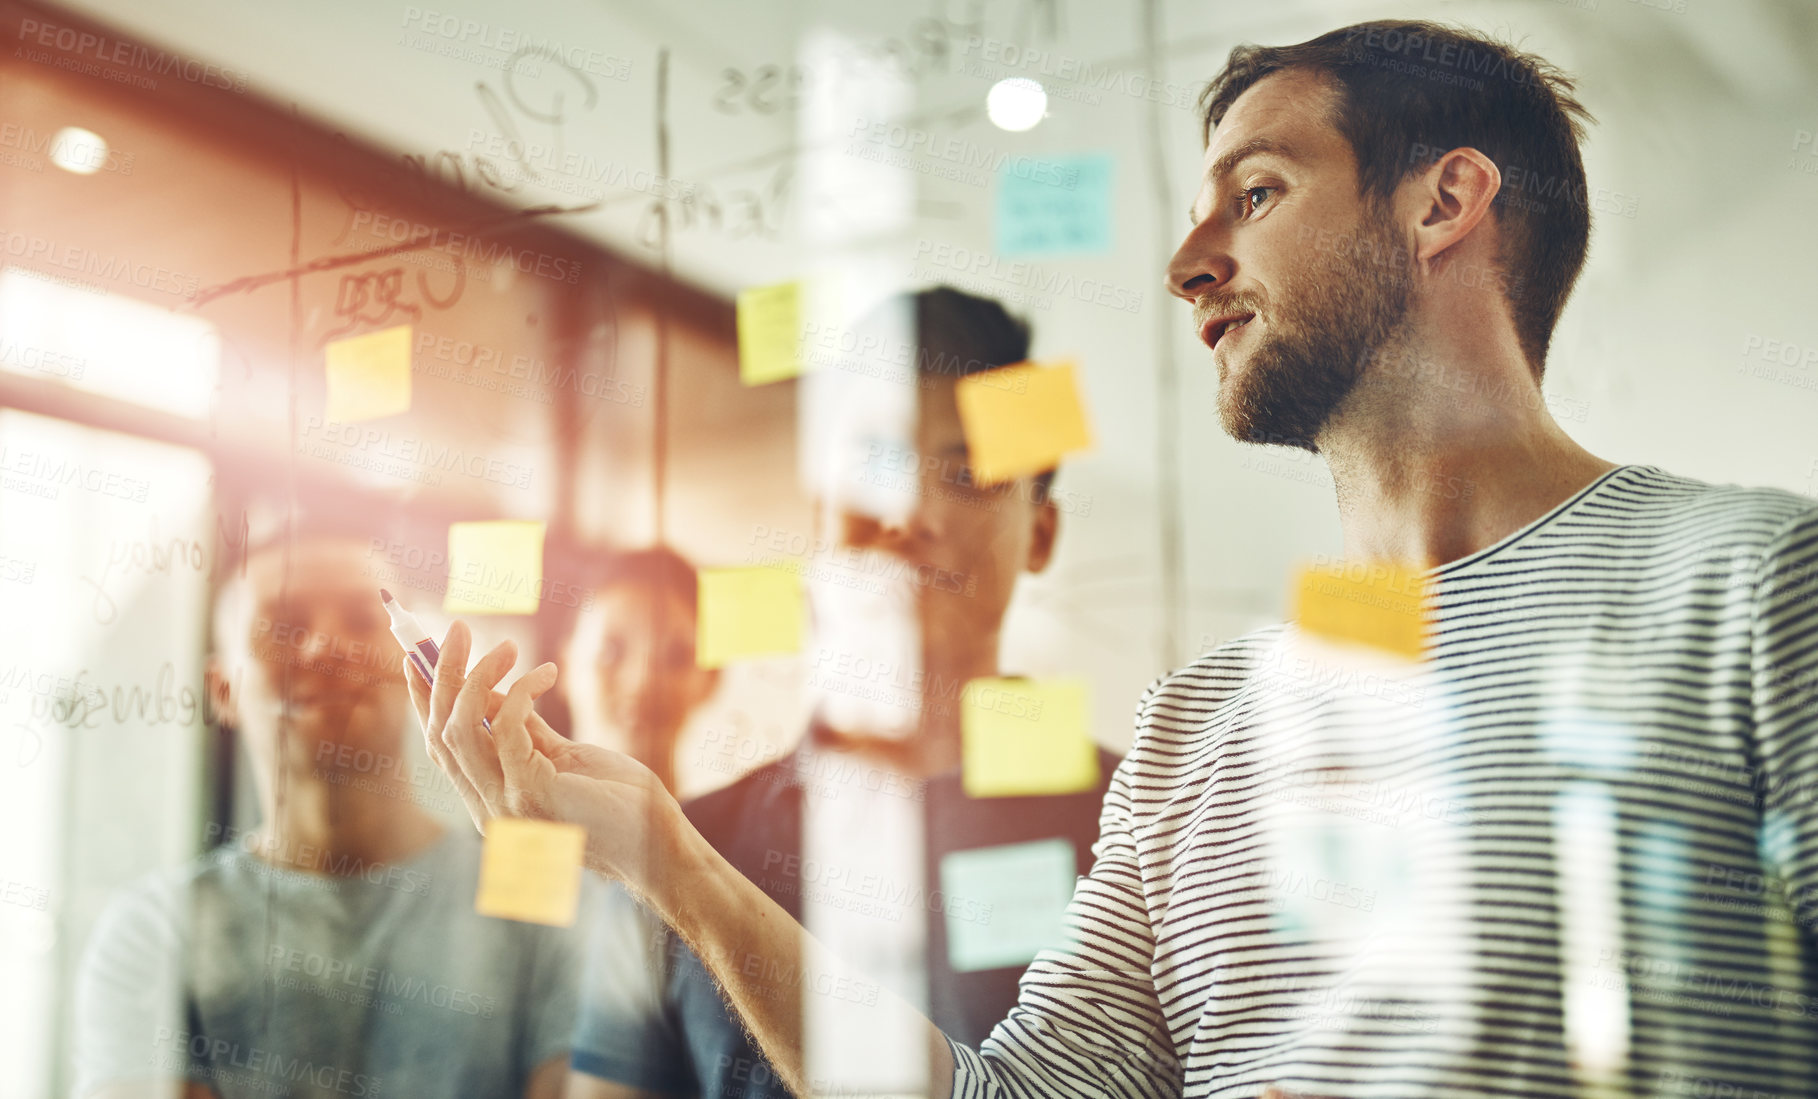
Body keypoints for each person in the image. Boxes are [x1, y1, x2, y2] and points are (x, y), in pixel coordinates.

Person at [410, 19, 1818, 1099]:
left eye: (1253, 193)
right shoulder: (1194, 724)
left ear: (1441, 203)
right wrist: (672, 859)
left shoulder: (1754, 583)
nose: (1186, 261)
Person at [565, 286, 1121, 1097]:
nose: (911, 508)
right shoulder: (680, 853)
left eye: (966, 472)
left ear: (1040, 532)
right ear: (821, 508)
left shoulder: (1139, 834)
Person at [74, 533, 577, 1099]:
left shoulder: (535, 885)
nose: (325, 647)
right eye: (285, 625)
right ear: (223, 688)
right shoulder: (157, 930)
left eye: (363, 622)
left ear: (415, 670)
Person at [577, 545, 720, 793]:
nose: (641, 682)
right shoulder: (503, 828)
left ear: (712, 679)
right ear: (562, 665)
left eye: (676, 658)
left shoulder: (723, 832)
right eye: (611, 652)